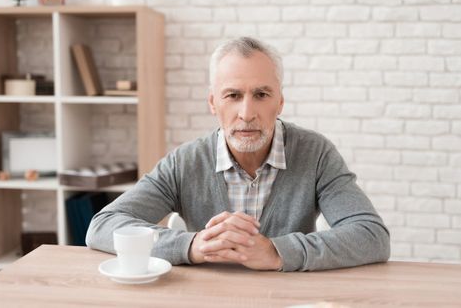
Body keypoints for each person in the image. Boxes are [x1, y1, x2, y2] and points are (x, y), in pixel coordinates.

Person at [86, 36, 390, 272]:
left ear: (280, 102)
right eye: (233, 95)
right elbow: (103, 226)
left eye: (261, 95)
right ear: (213, 103)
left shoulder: (316, 154)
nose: (247, 113)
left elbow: (371, 236)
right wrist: (192, 245)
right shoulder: (185, 162)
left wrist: (275, 251)